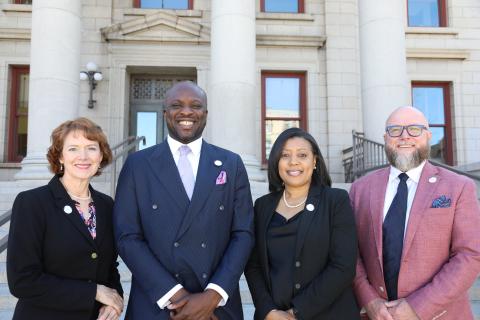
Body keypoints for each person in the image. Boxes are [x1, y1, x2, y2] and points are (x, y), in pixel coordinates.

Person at [113, 81, 254, 319]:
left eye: (195, 105)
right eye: (176, 105)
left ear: (205, 114)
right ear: (165, 113)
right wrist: (176, 296)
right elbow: (127, 236)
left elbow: (243, 233)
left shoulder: (231, 163)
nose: (186, 112)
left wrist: (212, 296)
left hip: (216, 308)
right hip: (157, 304)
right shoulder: (137, 165)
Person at [350, 106, 480, 320]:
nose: (404, 136)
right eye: (395, 130)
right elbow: (350, 253)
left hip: (441, 315)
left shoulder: (459, 186)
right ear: (385, 138)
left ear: (428, 135)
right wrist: (370, 301)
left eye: (414, 129)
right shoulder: (361, 188)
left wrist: (418, 307)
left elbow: (469, 255)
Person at [7, 118, 124, 320]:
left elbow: (109, 267)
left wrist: (115, 301)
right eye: (73, 149)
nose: (83, 156)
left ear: (101, 155)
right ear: (60, 156)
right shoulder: (33, 203)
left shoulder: (106, 205)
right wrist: (94, 292)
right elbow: (23, 281)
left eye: (91, 148)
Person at [245, 127, 359, 320]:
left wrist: (295, 312)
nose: (293, 161)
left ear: (314, 161)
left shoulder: (336, 201)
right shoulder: (262, 206)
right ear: (277, 162)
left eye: (302, 155)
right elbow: (253, 265)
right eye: (285, 155)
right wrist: (268, 311)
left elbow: (343, 266)